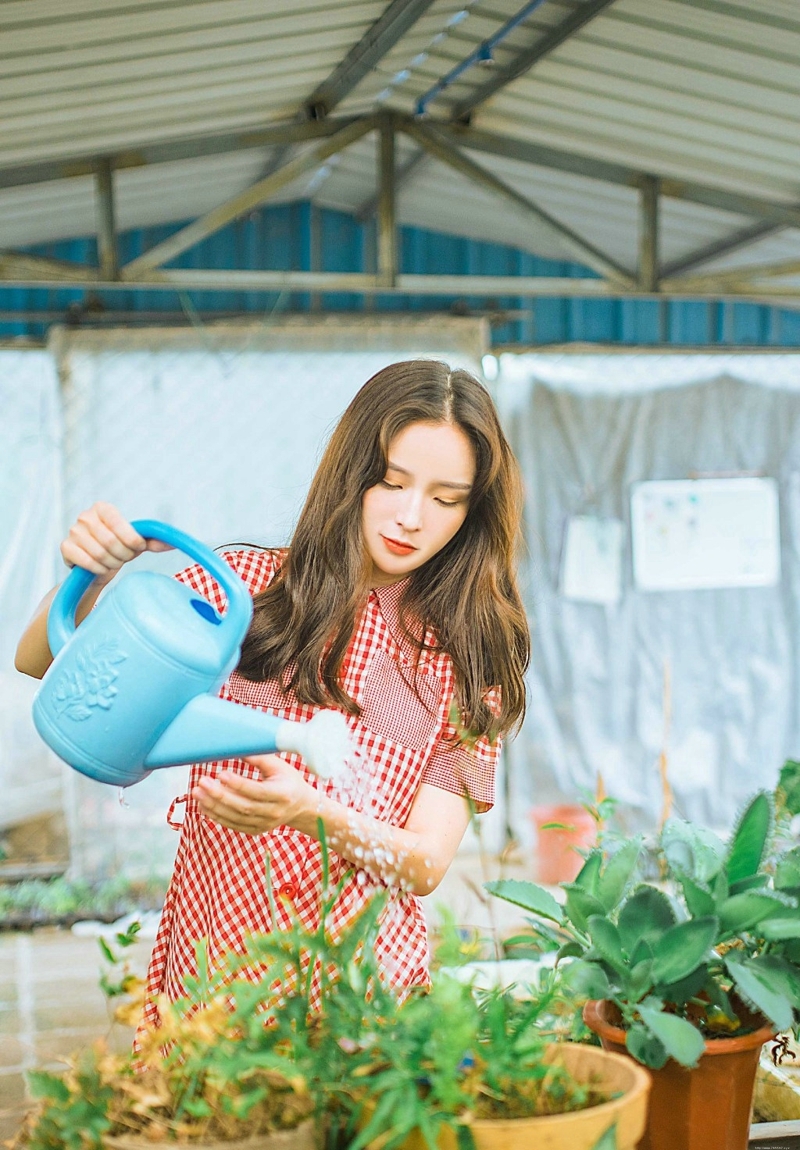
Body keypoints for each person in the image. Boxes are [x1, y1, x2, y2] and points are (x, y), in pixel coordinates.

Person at [15, 359, 530, 1024]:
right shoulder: (243, 594)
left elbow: (428, 864)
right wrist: (96, 575)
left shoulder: (467, 657)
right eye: (390, 481)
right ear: (351, 475)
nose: (411, 517)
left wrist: (308, 813)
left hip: (364, 986)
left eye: (446, 498)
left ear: (474, 509)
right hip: (220, 967)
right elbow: (41, 659)